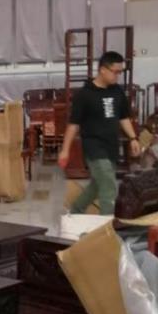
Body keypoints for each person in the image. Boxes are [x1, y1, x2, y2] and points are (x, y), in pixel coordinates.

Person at [58, 50, 140, 214]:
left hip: (112, 147)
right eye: (115, 72)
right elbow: (73, 125)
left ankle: (75, 210)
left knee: (97, 185)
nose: (117, 76)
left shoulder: (117, 91)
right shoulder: (84, 95)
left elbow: (123, 117)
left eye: (120, 72)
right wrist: (65, 150)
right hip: (94, 148)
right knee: (109, 185)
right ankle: (107, 226)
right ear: (102, 69)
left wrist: (133, 138)